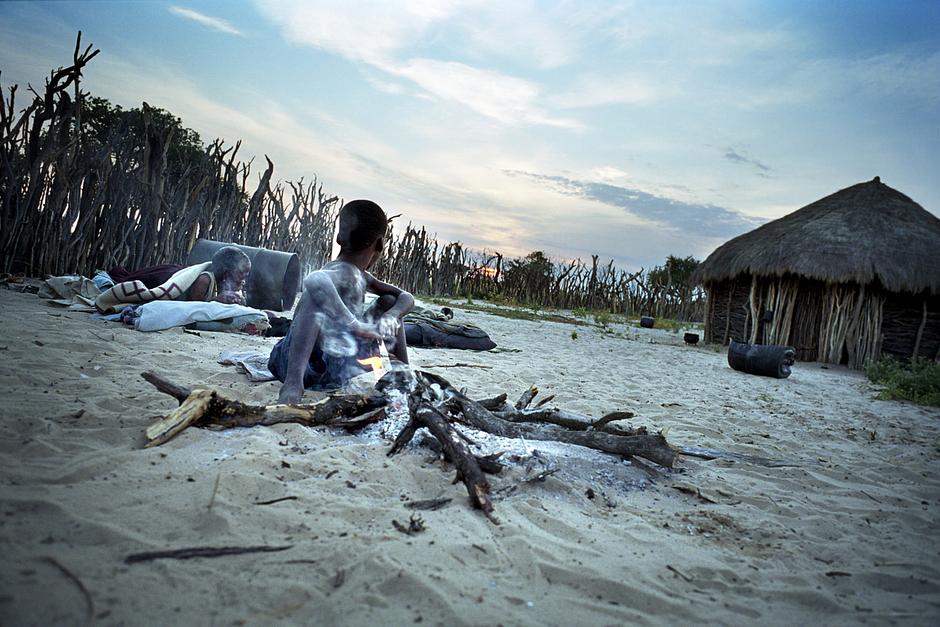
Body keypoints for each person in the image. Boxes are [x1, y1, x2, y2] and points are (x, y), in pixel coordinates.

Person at [269, 200, 414, 403]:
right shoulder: (340, 270)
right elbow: (315, 279)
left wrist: (392, 315)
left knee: (390, 301)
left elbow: (406, 298)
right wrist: (356, 326)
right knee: (316, 296)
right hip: (297, 364)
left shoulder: (362, 277)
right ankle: (293, 385)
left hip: (334, 367)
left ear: (339, 238)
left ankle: (404, 374)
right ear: (380, 244)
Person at [95, 246, 251, 312]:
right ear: (226, 272)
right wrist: (217, 300)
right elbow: (192, 309)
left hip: (170, 271)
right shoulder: (205, 280)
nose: (245, 278)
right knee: (123, 281)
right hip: (164, 277)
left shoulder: (224, 283)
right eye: (242, 273)